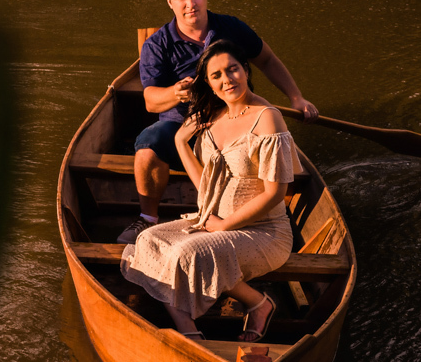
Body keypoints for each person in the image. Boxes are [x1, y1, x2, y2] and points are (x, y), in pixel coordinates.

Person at [117, 0, 317, 243]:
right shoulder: (157, 45)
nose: (190, 4)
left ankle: (265, 220)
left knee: (264, 155)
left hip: (236, 122)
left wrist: (295, 96)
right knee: (148, 144)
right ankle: (147, 218)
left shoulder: (231, 28)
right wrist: (176, 92)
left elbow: (267, 60)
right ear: (169, 2)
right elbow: (150, 101)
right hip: (184, 127)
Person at [119, 39, 296, 342]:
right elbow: (206, 189)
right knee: (148, 239)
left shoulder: (267, 117)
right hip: (212, 222)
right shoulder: (213, 118)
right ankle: (186, 324)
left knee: (189, 252)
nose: (227, 80)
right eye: (216, 75)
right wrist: (180, 143)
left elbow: (276, 192)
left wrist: (225, 225)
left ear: (246, 70)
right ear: (209, 83)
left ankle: (258, 303)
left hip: (263, 232)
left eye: (233, 70)